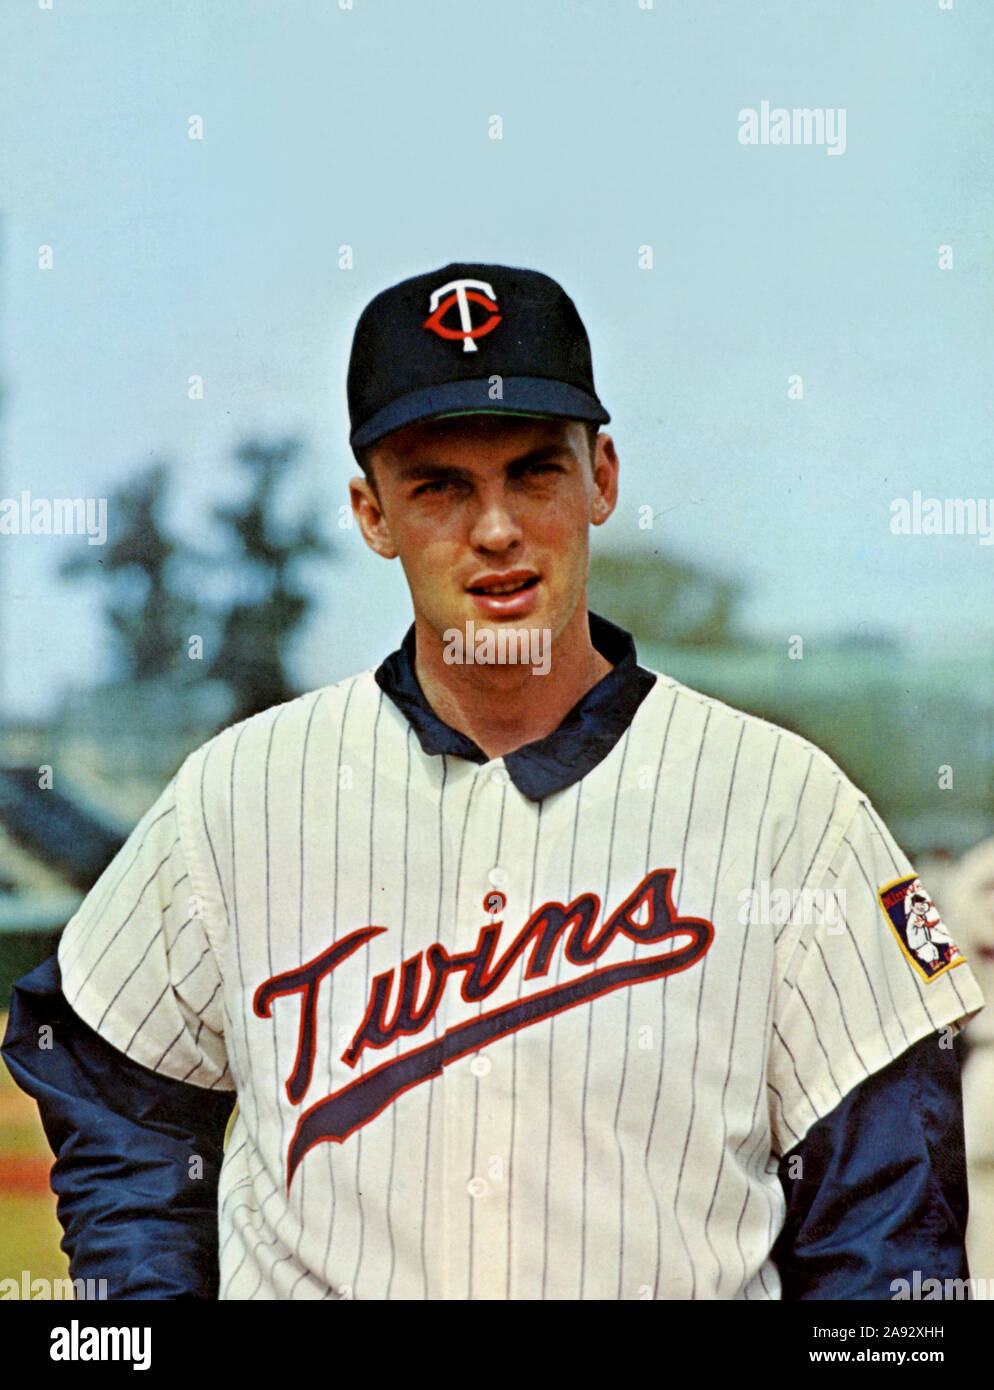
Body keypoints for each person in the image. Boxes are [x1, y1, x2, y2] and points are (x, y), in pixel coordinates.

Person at [2, 262, 985, 1301]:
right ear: (371, 512)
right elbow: (104, 1072)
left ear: (601, 476)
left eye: (533, 471)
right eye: (439, 485)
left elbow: (886, 1234)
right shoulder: (238, 796)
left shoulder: (789, 809)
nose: (497, 528)